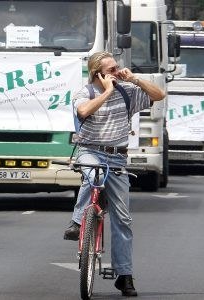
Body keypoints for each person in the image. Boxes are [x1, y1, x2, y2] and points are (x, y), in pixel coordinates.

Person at [63, 51, 165, 297]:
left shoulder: (126, 91)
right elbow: (83, 112)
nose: (116, 72)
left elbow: (159, 95)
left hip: (117, 155)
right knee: (94, 175)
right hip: (90, 151)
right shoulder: (85, 92)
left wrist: (135, 79)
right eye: (111, 69)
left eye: (117, 67)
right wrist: (107, 91)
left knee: (123, 218)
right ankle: (77, 222)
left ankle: (125, 275)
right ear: (96, 73)